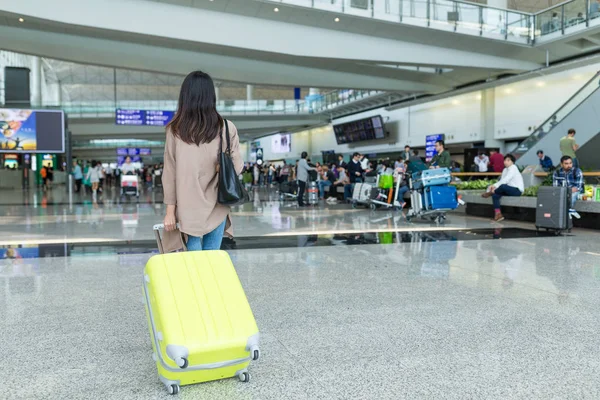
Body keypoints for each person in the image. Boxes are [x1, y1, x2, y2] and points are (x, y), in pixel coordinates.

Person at [162, 70, 243, 252]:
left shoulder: (174, 130)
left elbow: (170, 173)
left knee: (193, 264)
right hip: (217, 204)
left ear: (185, 96)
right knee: (211, 260)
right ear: (211, 96)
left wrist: (170, 212)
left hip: (187, 208)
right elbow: (236, 167)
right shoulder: (226, 127)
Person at [481, 154, 524, 222]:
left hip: (516, 190)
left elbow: (506, 180)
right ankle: (498, 214)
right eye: (505, 160)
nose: (505, 162)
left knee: (502, 186)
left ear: (512, 162)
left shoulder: (513, 168)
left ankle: (491, 192)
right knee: (495, 195)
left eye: (508, 160)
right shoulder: (504, 170)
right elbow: (502, 181)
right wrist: (494, 186)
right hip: (507, 189)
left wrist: (494, 186)